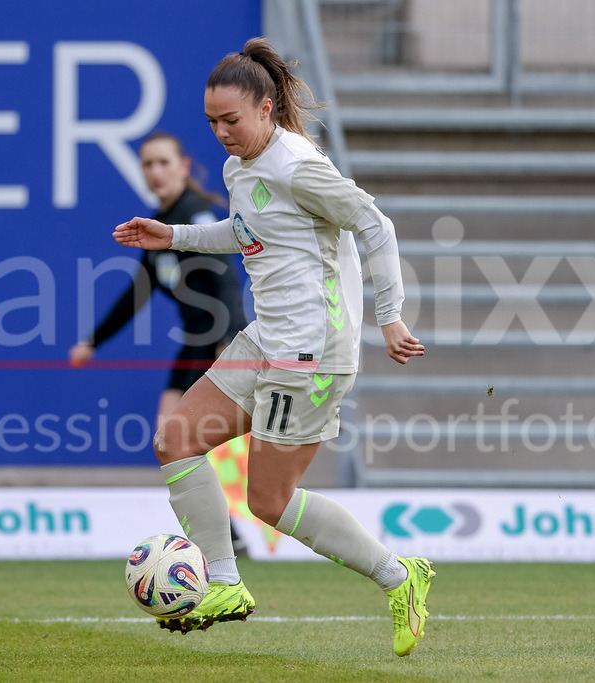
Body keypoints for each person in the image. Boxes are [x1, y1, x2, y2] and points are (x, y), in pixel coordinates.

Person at [112, 38, 431, 657]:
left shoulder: (297, 164)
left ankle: (401, 575)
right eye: (211, 123)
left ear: (265, 108)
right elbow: (246, 230)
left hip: (311, 355)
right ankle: (225, 583)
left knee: (268, 500)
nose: (221, 133)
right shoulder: (240, 169)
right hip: (265, 340)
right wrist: (171, 234)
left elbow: (375, 224)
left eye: (231, 120)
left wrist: (391, 318)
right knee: (174, 440)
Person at [70, 133, 251, 556]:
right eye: (148, 164)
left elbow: (225, 277)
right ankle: (223, 534)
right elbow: (135, 294)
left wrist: (229, 338)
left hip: (218, 341)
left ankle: (225, 535)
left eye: (163, 163)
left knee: (183, 438)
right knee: (170, 438)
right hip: (194, 343)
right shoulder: (160, 226)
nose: (155, 172)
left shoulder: (195, 217)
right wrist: (92, 342)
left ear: (183, 166)